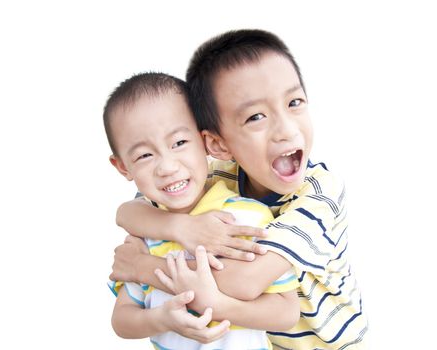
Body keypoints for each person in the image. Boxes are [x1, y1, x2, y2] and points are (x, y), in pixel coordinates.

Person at [111, 30, 369, 349]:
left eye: (294, 102)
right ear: (217, 144)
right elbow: (130, 212)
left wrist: (142, 267)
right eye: (256, 117)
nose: (286, 130)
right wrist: (181, 226)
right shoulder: (213, 177)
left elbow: (245, 282)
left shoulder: (319, 194)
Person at [103, 72, 300, 349]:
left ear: (206, 141)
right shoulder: (144, 234)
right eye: (145, 155)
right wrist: (162, 319)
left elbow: (286, 312)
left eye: (179, 143)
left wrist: (220, 305)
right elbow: (122, 320)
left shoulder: (246, 218)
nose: (167, 167)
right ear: (123, 166)